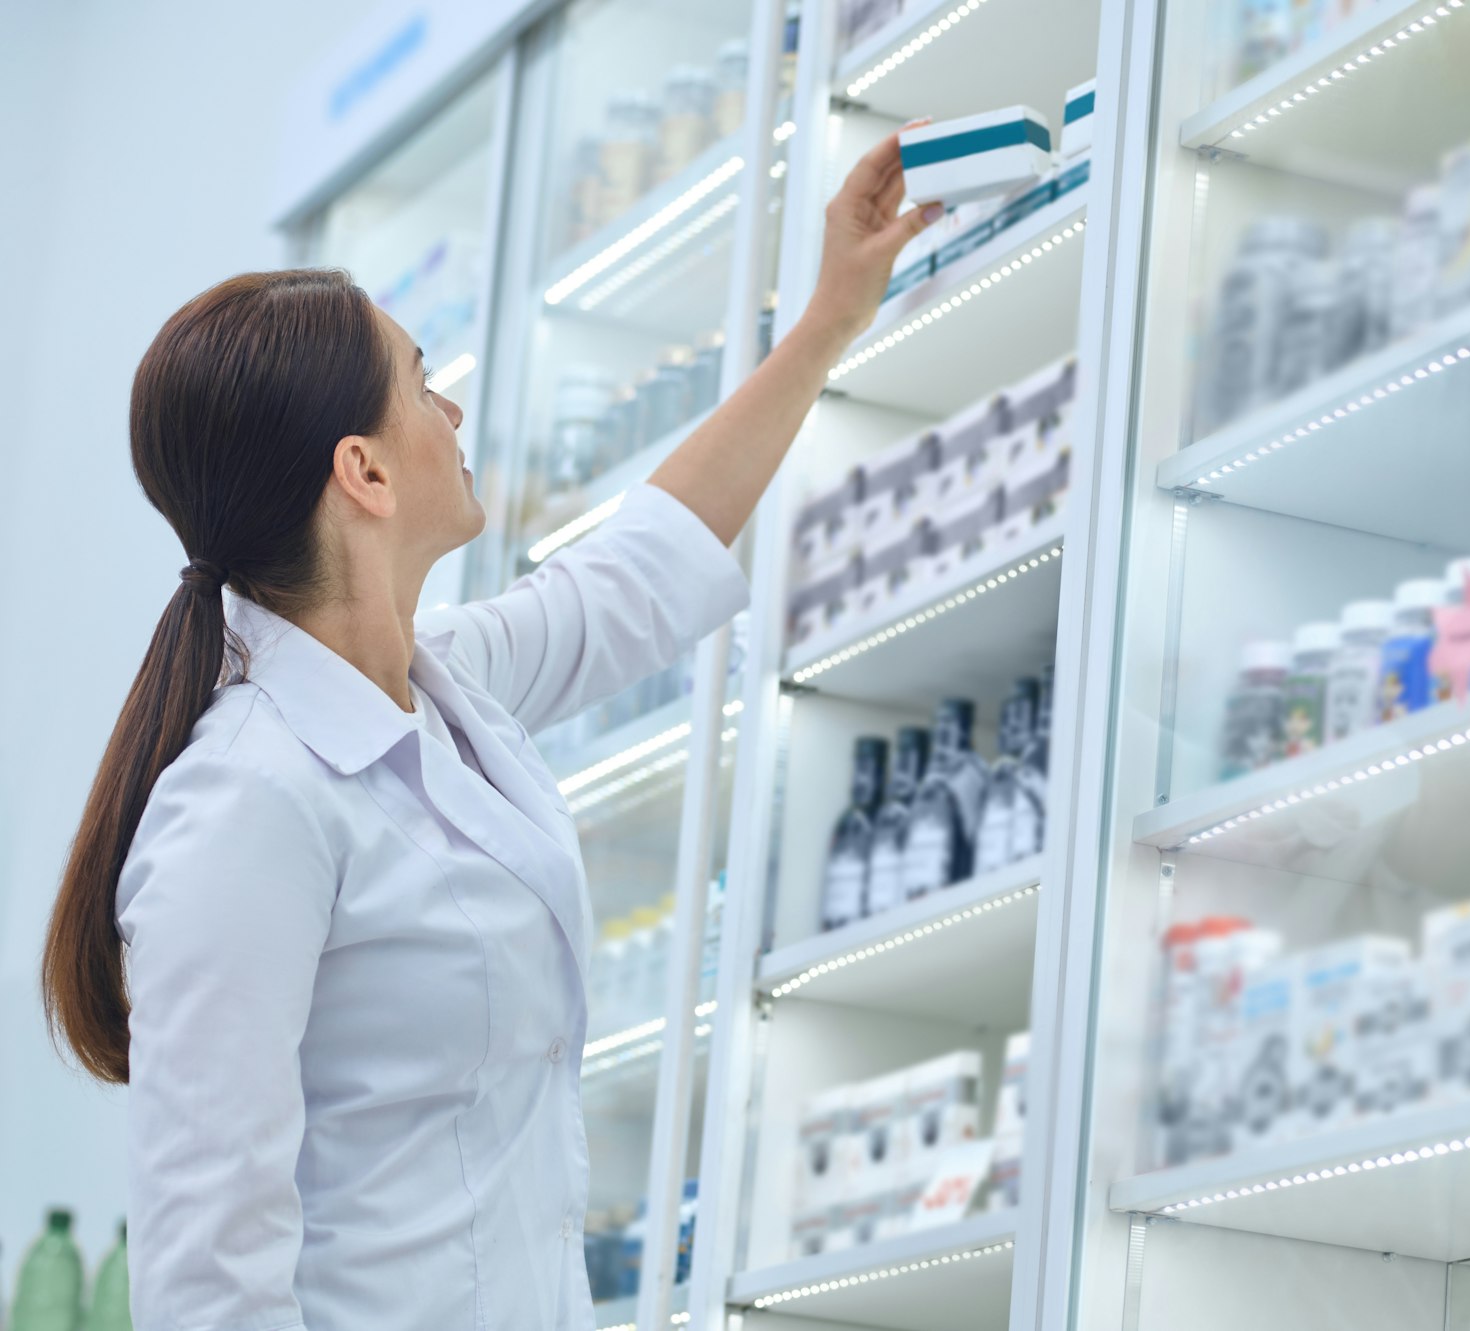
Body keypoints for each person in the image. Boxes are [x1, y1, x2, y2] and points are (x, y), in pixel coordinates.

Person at [40, 128, 942, 1330]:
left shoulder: (442, 685)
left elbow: (639, 568)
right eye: (421, 380)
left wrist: (831, 312)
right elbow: (210, 1277)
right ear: (361, 470)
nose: (451, 406)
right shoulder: (246, 804)